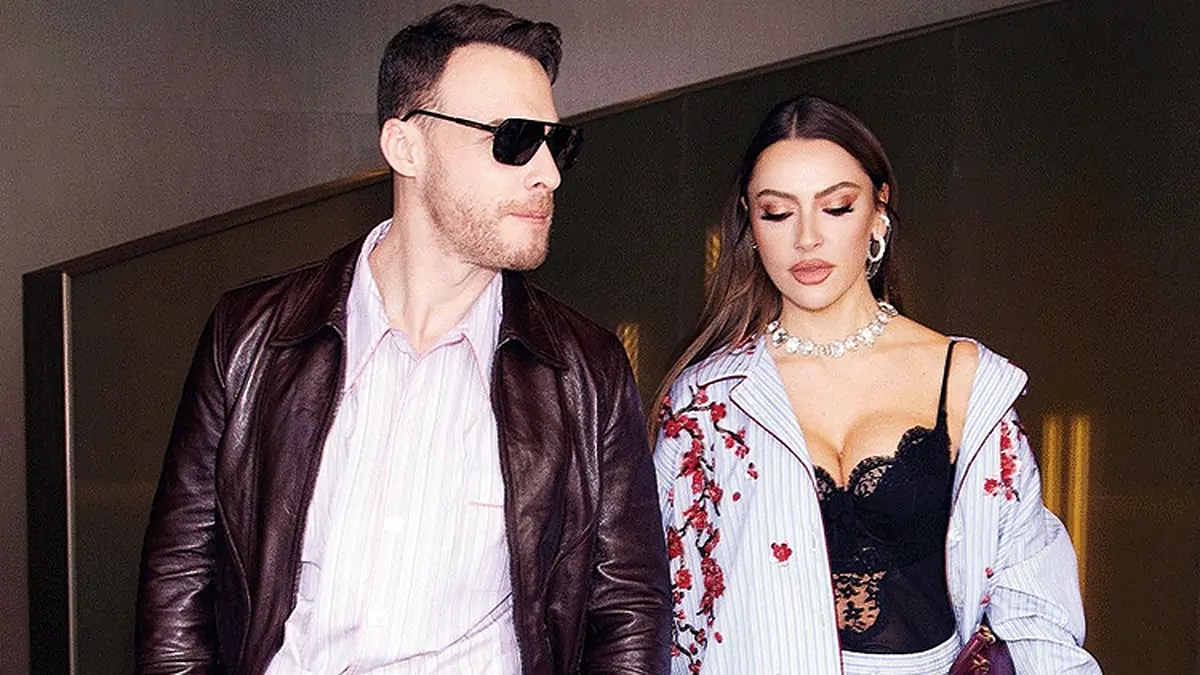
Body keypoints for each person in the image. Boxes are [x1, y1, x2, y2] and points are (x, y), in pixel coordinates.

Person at [135, 5, 671, 674]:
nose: (548, 174)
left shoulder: (586, 369)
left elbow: (628, 609)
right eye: (513, 140)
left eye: (556, 145)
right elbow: (179, 578)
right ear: (405, 146)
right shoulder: (251, 336)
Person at [651, 95, 1100, 674]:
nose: (807, 238)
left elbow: (1035, 610)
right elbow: (672, 614)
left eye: (836, 207)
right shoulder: (708, 399)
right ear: (750, 224)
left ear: (878, 210)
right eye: (777, 213)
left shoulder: (964, 378)